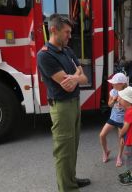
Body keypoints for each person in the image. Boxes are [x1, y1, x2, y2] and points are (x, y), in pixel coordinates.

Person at [37, 14, 90, 192]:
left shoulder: (68, 51)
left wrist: (75, 77)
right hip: (62, 106)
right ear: (54, 30)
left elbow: (84, 78)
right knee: (63, 150)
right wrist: (77, 77)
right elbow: (67, 86)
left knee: (72, 146)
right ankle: (67, 188)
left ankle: (71, 179)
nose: (69, 35)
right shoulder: (45, 55)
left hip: (74, 104)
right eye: (66, 32)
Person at [99, 73, 127, 167]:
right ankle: (105, 151)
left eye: (115, 83)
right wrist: (114, 100)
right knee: (102, 135)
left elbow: (130, 107)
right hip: (113, 117)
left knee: (121, 139)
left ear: (122, 84)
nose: (113, 85)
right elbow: (109, 105)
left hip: (123, 120)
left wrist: (123, 103)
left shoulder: (127, 92)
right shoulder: (113, 91)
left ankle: (119, 156)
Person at [117, 86, 132, 185]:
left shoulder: (130, 112)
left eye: (121, 98)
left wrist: (120, 134)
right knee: (131, 158)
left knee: (131, 159)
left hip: (131, 141)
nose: (118, 99)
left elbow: (125, 127)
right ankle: (130, 172)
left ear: (127, 101)